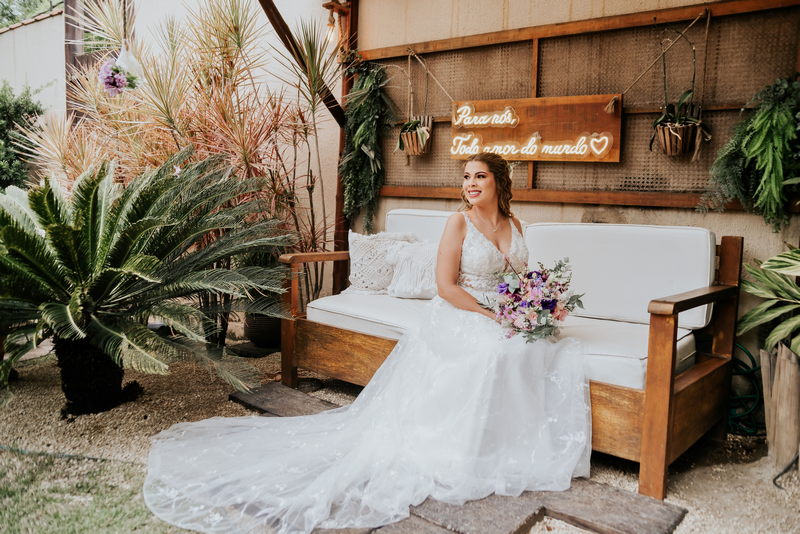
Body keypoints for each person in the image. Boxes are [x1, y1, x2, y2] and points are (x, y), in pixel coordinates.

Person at [143, 152, 590, 534]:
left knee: (547, 347)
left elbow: (521, 279)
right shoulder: (459, 222)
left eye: (480, 176)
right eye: (466, 177)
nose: (470, 184)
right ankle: (468, 447)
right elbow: (446, 287)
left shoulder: (515, 223)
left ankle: (513, 444)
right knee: (495, 350)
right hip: (463, 311)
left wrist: (538, 305)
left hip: (506, 312)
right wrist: (493, 316)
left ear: (499, 182)